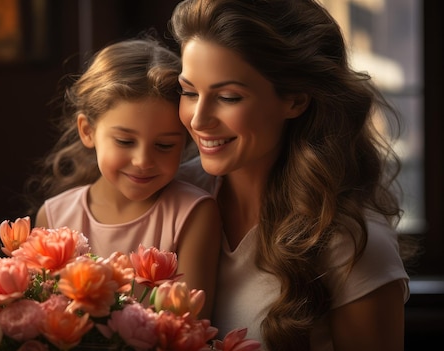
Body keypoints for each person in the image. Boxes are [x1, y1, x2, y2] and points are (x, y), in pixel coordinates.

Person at [169, 0, 420, 350]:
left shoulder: (351, 241)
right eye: (189, 92)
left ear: (296, 101)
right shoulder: (169, 195)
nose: (198, 119)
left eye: (228, 97)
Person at [28, 36, 221, 318]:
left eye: (165, 145)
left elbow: (189, 328)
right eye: (125, 141)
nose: (143, 161)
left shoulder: (193, 215)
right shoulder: (54, 216)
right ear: (87, 131)